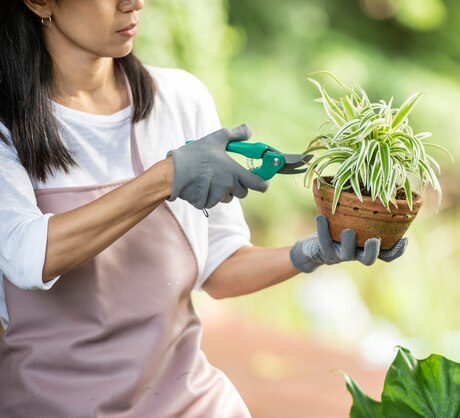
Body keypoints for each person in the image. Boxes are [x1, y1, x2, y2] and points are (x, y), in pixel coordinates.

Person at [0, 0, 409, 416]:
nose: (135, 3)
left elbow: (221, 267)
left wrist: (312, 252)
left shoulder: (179, 99)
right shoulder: (6, 124)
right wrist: (165, 178)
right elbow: (28, 255)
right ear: (39, 1)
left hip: (193, 404)